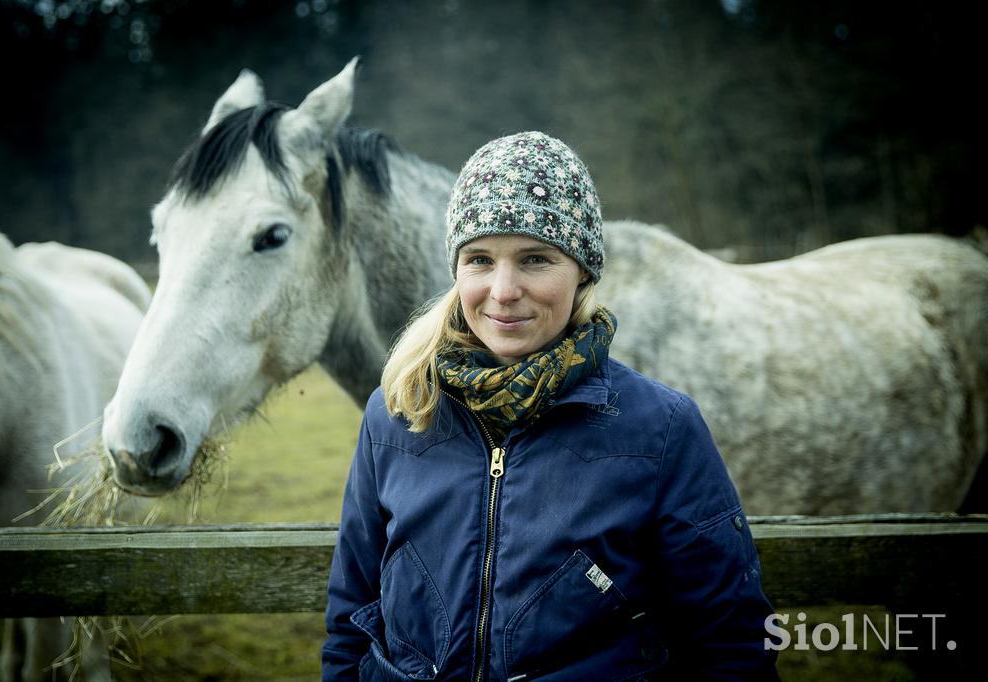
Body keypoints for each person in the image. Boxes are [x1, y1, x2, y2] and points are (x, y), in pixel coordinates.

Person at [322, 131, 778, 681]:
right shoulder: (397, 412)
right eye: (480, 259)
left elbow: (732, 644)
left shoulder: (659, 429)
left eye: (535, 259)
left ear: (582, 269)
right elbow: (350, 623)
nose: (503, 289)